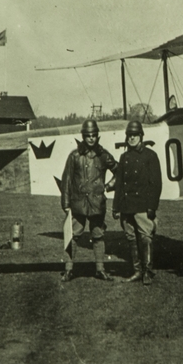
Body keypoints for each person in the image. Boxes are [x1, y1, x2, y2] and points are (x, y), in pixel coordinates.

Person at [60, 119, 118, 282]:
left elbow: (119, 172)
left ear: (97, 136)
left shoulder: (104, 155)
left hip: (97, 204)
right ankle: (68, 270)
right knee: (73, 236)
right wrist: (66, 204)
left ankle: (100, 269)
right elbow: (67, 181)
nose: (91, 138)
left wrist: (108, 186)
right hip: (78, 203)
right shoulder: (74, 156)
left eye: (93, 135)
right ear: (83, 136)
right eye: (88, 135)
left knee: (98, 236)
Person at [113, 120, 163, 284]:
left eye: (135, 135)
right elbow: (119, 184)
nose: (132, 138)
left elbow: (156, 184)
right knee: (131, 238)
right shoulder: (124, 157)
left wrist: (152, 207)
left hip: (142, 206)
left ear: (141, 136)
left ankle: (147, 271)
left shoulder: (150, 156)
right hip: (127, 206)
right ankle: (137, 271)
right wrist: (116, 207)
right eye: (129, 135)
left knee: (145, 238)